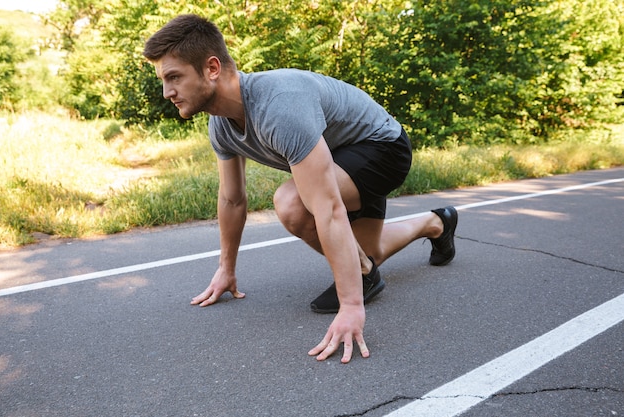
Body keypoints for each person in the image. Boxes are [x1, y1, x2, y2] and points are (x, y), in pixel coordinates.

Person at [143, 14, 458, 364]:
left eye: (174, 77)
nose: (166, 92)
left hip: (383, 149)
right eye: (163, 80)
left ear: (212, 68)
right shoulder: (221, 126)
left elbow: (328, 208)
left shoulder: (279, 106)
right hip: (338, 159)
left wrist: (351, 303)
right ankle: (436, 223)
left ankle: (363, 284)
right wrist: (226, 268)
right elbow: (232, 199)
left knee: (293, 202)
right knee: (366, 255)